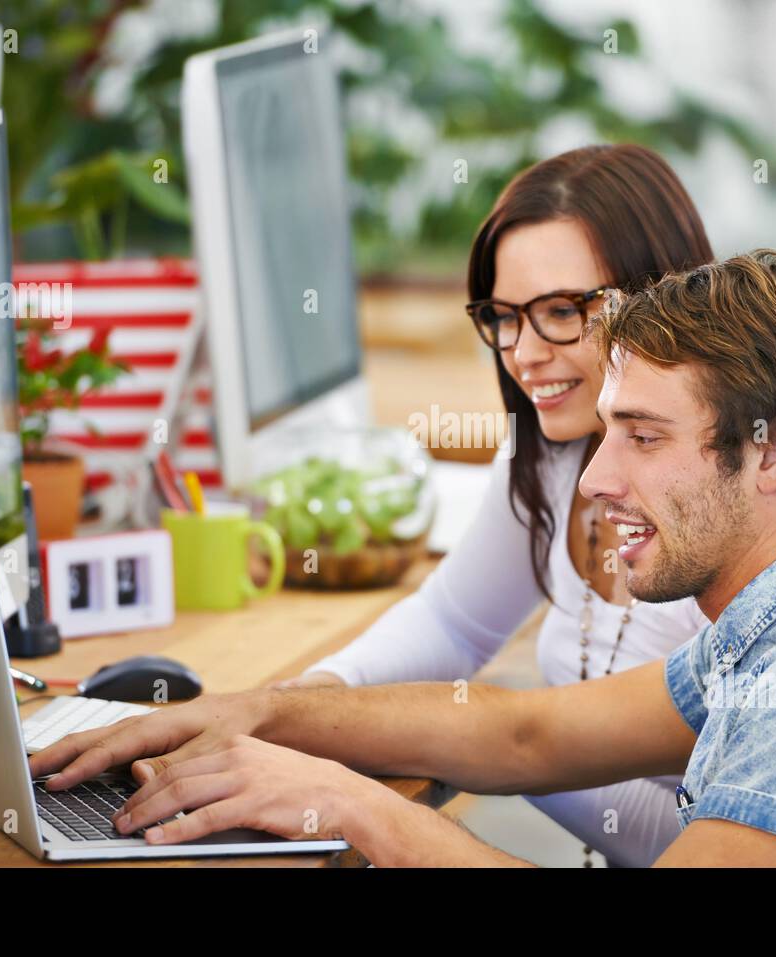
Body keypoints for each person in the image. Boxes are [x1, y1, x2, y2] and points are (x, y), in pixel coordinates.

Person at [32, 250, 776, 867]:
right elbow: (527, 737)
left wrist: (342, 802)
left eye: (641, 437)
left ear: (771, 448)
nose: (595, 481)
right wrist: (257, 712)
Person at [277, 144, 713, 866]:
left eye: (560, 312)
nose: (522, 351)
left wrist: (493, 744)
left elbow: (717, 839)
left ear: (660, 293)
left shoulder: (720, 498)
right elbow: (454, 619)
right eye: (505, 316)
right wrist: (318, 696)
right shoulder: (550, 449)